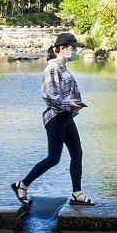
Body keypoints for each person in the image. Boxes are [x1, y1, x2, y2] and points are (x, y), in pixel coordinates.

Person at [11, 32, 95, 207]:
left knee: (77, 154)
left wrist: (75, 104)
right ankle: (22, 185)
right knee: (53, 158)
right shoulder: (52, 68)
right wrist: (69, 102)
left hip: (66, 117)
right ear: (61, 49)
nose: (75, 52)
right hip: (55, 118)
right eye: (72, 48)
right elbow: (48, 95)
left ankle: (76, 194)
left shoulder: (63, 68)